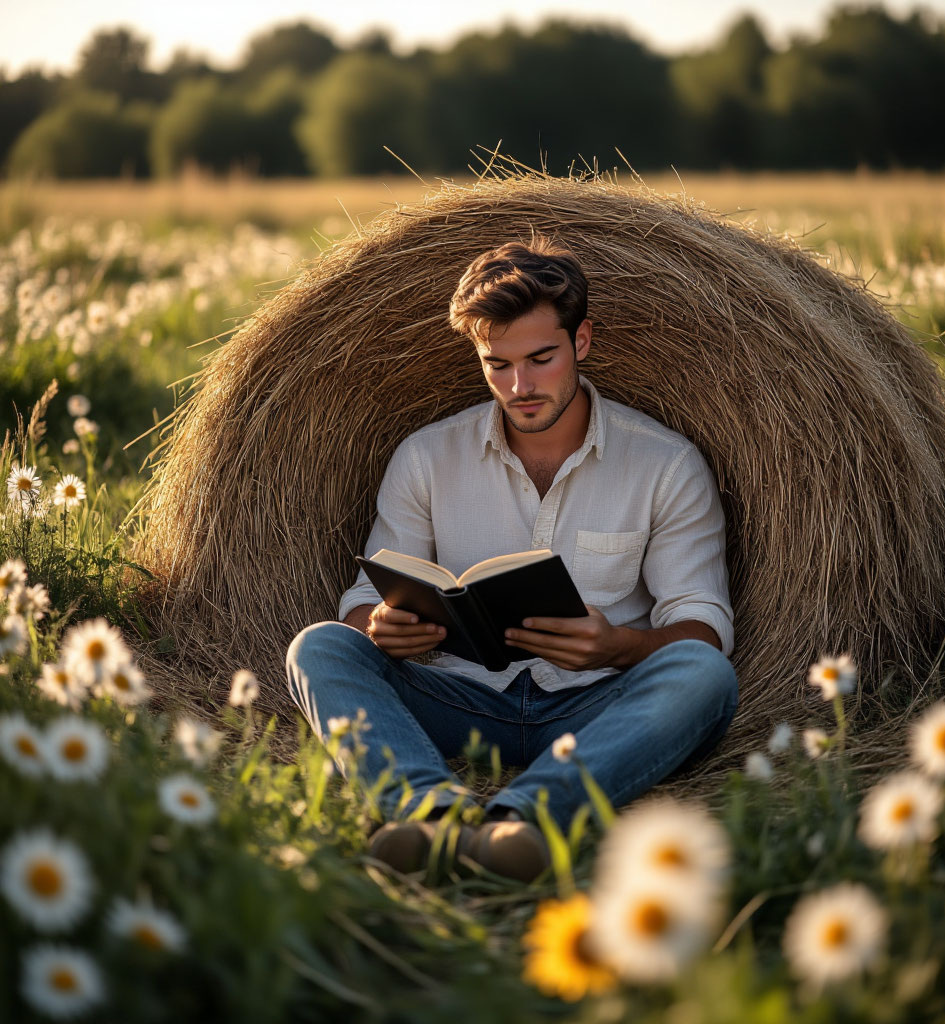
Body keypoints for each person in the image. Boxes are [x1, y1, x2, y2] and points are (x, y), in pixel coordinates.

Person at [286, 235, 738, 882]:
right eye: (497, 364)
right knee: (321, 647)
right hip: (455, 696)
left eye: (541, 358)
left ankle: (521, 823)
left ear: (582, 342)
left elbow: (704, 626)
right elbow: (363, 599)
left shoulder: (665, 466)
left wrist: (616, 648)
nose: (520, 386)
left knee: (704, 676)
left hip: (597, 706)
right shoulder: (426, 457)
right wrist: (379, 626)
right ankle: (426, 815)